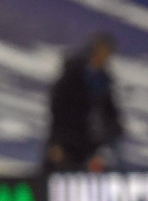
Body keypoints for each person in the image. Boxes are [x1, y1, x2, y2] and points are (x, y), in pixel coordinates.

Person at [44, 32, 122, 173]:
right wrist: (57, 142)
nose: (103, 57)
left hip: (86, 147)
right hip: (64, 143)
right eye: (101, 52)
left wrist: (107, 143)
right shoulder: (72, 74)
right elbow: (58, 109)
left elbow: (110, 116)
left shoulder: (102, 81)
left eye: (106, 54)